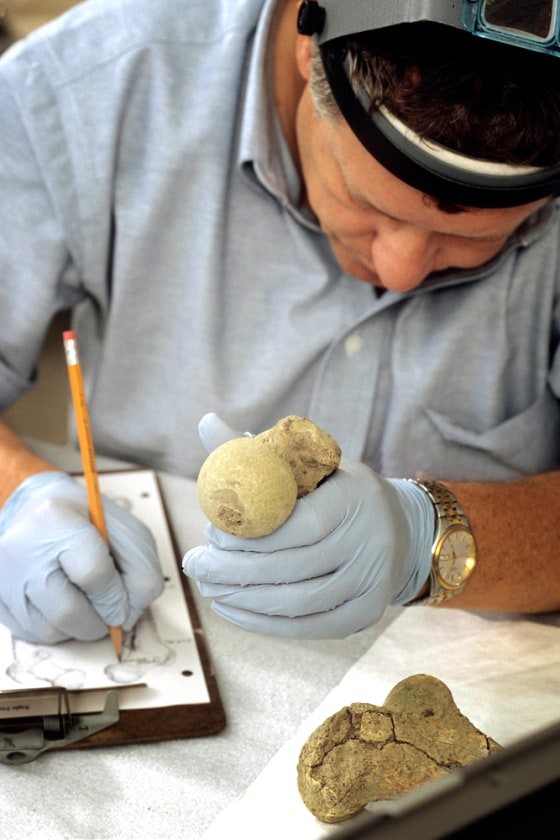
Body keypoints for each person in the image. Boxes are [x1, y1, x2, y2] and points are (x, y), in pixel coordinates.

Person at [0, 0, 559, 644]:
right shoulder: (80, 89)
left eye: (478, 239)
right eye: (365, 202)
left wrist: (434, 538)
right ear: (305, 40)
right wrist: (19, 493)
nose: (400, 270)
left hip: (489, 676)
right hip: (150, 633)